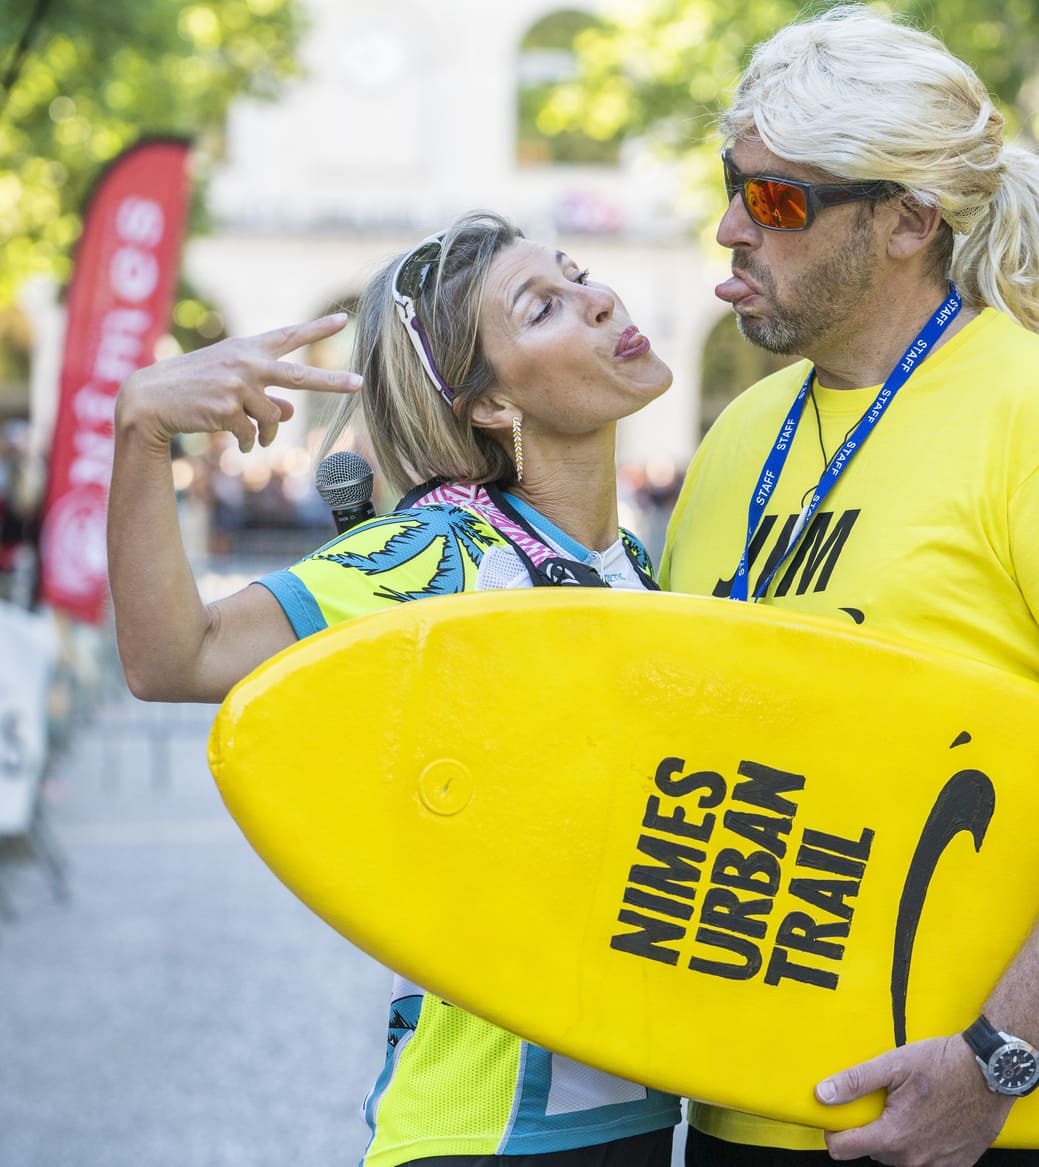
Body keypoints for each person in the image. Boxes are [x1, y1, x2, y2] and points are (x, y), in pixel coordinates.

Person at [659, 10, 1039, 1166]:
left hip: (978, 1122)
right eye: (733, 184)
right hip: (742, 1108)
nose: (730, 225)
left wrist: (995, 1059)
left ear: (907, 220)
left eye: (775, 200)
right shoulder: (739, 435)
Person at [108, 211, 680, 1167]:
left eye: (578, 274)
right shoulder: (442, 553)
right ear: (492, 406)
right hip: (485, 1127)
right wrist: (142, 428)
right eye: (544, 307)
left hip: (626, 1116)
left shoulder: (631, 564)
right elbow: (176, 656)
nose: (600, 299)